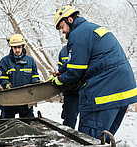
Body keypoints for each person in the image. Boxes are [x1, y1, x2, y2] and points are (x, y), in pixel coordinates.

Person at [52, 5, 137, 143]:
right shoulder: (91, 29)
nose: (62, 31)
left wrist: (60, 79)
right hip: (123, 92)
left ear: (69, 20)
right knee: (103, 140)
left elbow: (75, 72)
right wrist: (61, 70)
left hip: (102, 95)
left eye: (61, 27)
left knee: (89, 141)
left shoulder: (77, 34)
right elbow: (88, 59)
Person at [0, 34, 42, 119]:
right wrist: (6, 83)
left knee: (28, 126)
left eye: (19, 47)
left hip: (26, 100)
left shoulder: (30, 61)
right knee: (6, 125)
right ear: (11, 47)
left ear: (23, 46)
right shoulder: (4, 61)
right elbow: (1, 78)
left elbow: (34, 76)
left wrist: (36, 82)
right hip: (9, 100)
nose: (17, 50)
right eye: (15, 48)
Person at [57, 45, 79, 129]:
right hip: (70, 92)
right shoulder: (63, 52)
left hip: (84, 90)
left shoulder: (83, 48)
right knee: (69, 120)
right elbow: (60, 68)